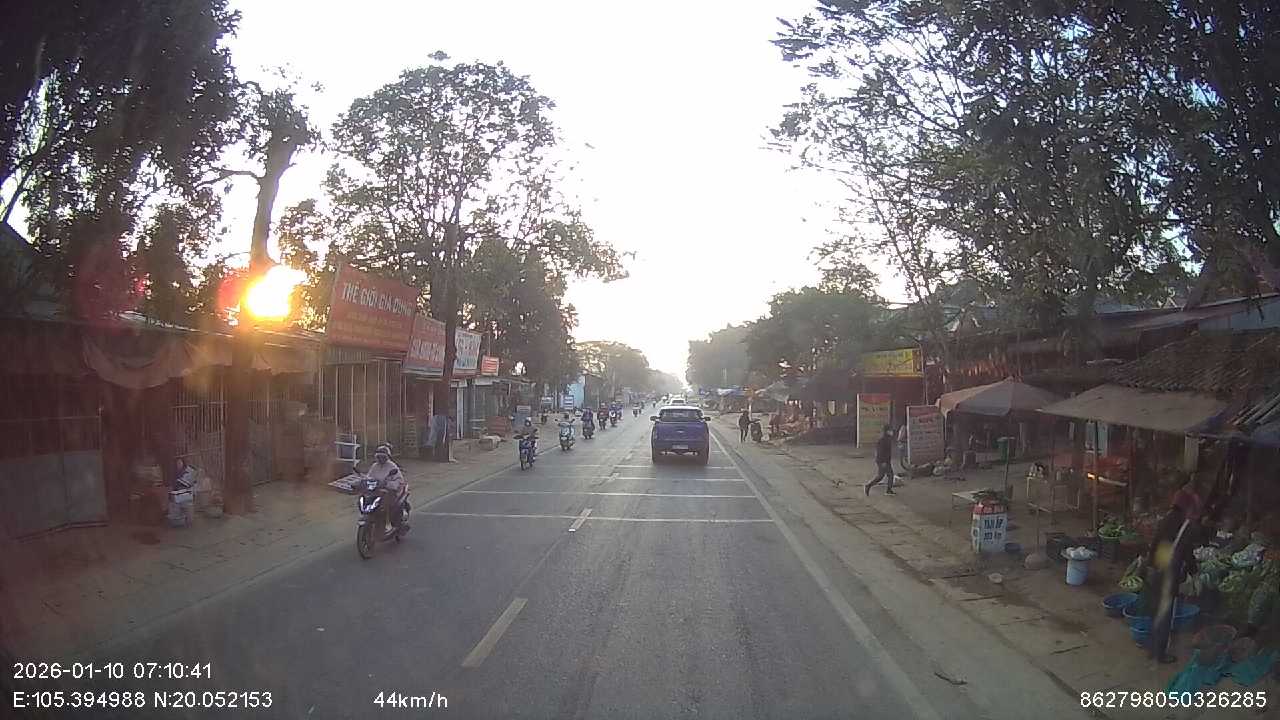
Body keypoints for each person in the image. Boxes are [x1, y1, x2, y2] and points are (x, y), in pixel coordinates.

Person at [367, 444, 406, 529]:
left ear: (387, 457)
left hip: (390, 491)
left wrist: (388, 484)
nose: (381, 459)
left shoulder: (392, 466)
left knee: (386, 505)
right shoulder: (374, 466)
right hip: (377, 491)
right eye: (379, 457)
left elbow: (399, 481)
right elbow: (369, 477)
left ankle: (388, 523)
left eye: (383, 457)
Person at [864, 426, 896, 496]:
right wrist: (883, 462)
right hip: (883, 461)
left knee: (882, 476)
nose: (892, 432)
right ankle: (888, 490)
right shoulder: (883, 440)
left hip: (885, 460)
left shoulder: (887, 439)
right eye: (891, 430)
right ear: (887, 431)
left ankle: (869, 486)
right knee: (889, 475)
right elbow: (880, 452)